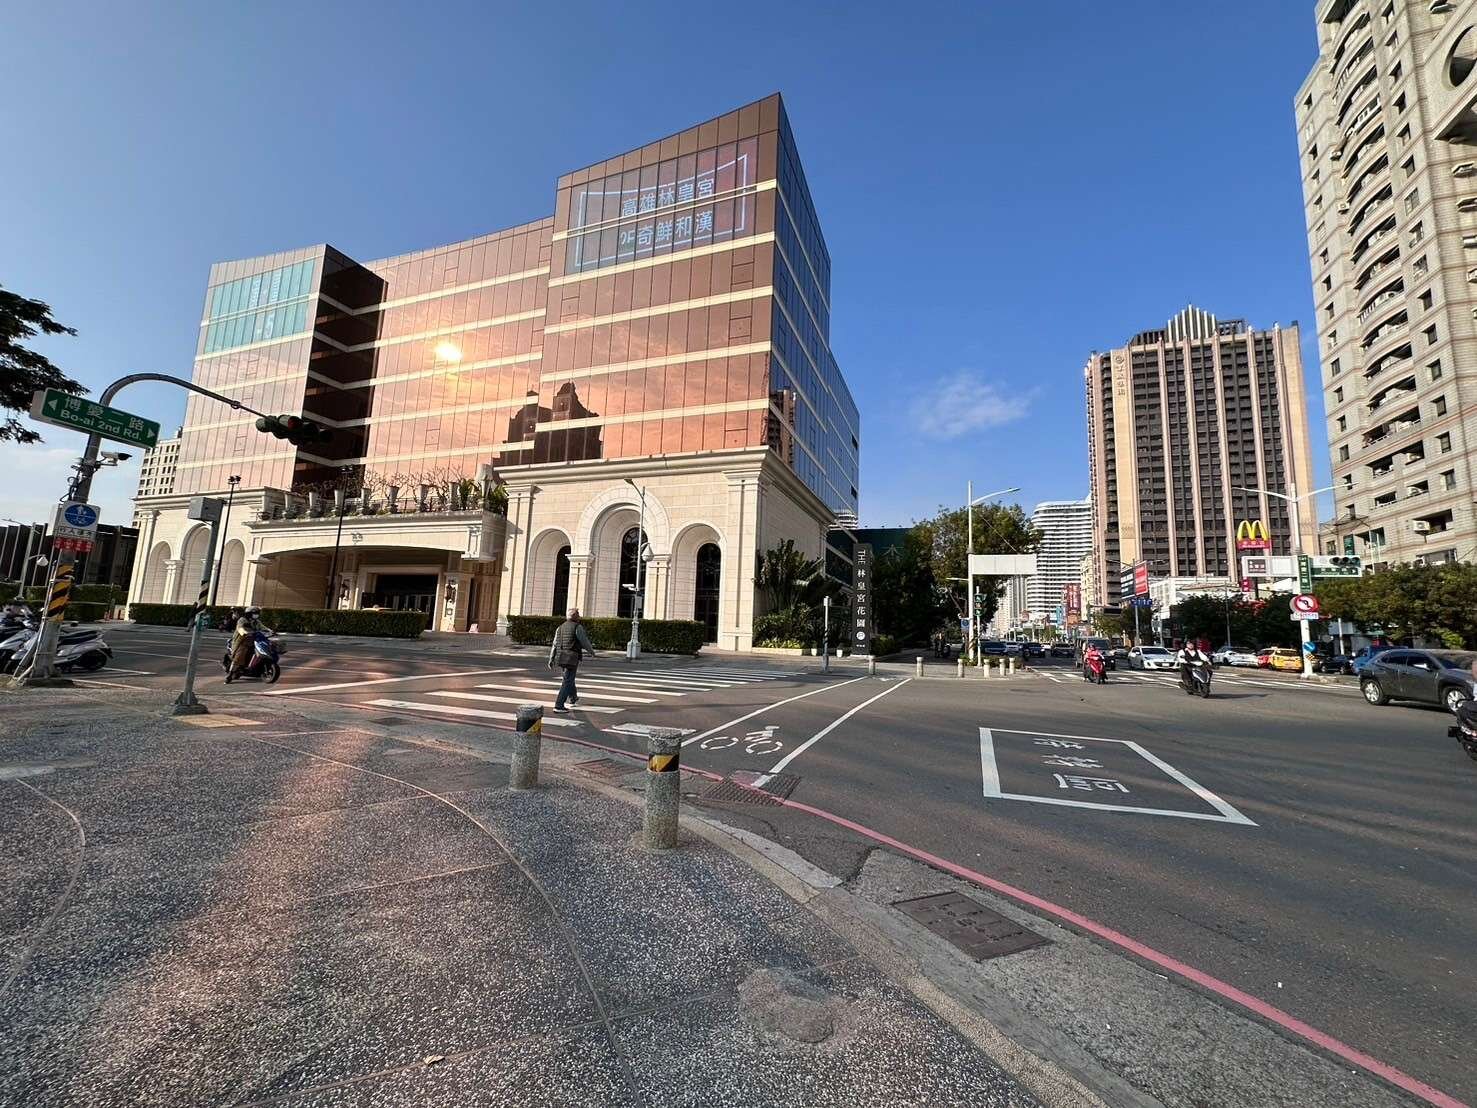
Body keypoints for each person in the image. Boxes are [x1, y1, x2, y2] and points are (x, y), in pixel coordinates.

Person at [548, 608, 597, 711]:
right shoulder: (577, 627)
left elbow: (554, 644)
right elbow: (584, 641)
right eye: (578, 615)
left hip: (561, 656)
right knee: (568, 680)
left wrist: (551, 658)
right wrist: (592, 652)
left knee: (569, 678)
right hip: (571, 657)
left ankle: (573, 698)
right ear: (575, 616)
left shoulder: (560, 627)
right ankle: (559, 705)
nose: (579, 617)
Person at [226, 605, 263, 683]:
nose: (256, 615)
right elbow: (240, 628)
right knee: (238, 658)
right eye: (255, 613)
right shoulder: (242, 620)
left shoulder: (256, 621)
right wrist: (245, 632)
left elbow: (263, 627)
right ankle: (230, 675)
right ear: (249, 613)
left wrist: (271, 631)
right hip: (241, 641)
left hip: (252, 641)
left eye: (257, 613)